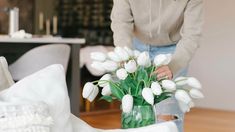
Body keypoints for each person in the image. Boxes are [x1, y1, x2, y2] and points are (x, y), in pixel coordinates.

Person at [111, 0, 204, 131]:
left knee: (168, 112)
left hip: (173, 51)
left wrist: (173, 65)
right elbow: (121, 22)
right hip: (137, 46)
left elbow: (192, 35)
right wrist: (125, 55)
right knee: (135, 110)